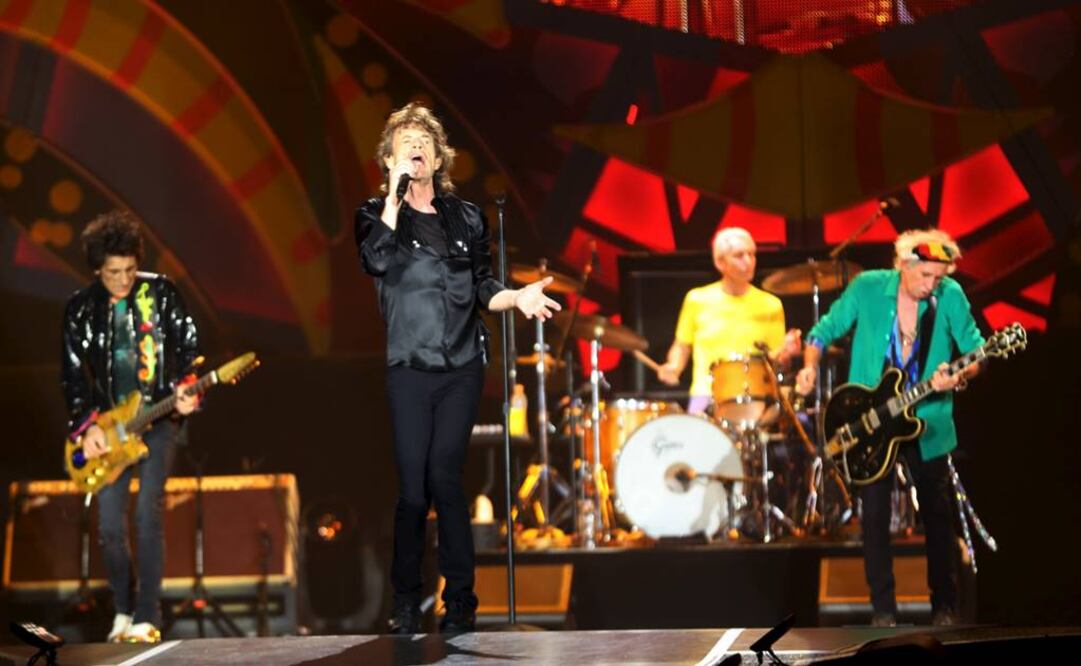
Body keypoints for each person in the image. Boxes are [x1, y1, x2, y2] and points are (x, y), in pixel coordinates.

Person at [355, 102, 560, 634]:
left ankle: (461, 600)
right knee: (413, 490)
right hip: (409, 366)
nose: (415, 148)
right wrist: (394, 199)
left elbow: (483, 287)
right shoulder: (375, 216)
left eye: (423, 141)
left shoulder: (466, 218)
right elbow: (376, 260)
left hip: (462, 366)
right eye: (405, 144)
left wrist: (515, 297)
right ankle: (406, 599)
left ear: (439, 156)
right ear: (388, 160)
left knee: (446, 477)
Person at [795, 228, 983, 626]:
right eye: (925, 275)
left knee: (937, 514)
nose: (931, 285)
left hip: (927, 417)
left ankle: (945, 608)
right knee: (875, 515)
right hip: (871, 417)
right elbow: (822, 331)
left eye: (938, 277)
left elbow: (975, 352)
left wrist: (959, 375)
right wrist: (809, 367)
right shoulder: (868, 287)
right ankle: (883, 610)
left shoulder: (950, 296)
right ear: (903, 264)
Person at [61, 210, 200, 643]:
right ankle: (122, 610)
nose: (123, 280)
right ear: (97, 270)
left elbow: (189, 348)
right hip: (109, 429)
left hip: (157, 419)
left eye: (129, 270)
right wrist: (86, 426)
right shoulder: (80, 309)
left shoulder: (162, 293)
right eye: (113, 273)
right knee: (109, 525)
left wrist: (188, 388)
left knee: (147, 512)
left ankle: (147, 614)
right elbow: (72, 376)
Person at [657, 227, 801, 415]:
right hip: (706, 394)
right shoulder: (697, 299)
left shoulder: (771, 304)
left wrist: (787, 352)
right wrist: (674, 367)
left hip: (755, 395)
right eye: (739, 256)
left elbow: (775, 361)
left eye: (752, 254)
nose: (748, 261)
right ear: (720, 262)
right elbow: (682, 345)